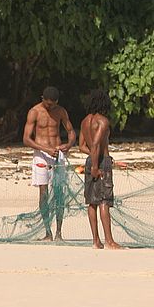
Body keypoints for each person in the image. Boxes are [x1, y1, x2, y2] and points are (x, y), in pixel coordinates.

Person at [23, 85, 76, 241]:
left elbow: (71, 131)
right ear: (42, 99)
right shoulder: (34, 112)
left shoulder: (61, 111)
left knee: (59, 193)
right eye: (47, 104)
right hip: (41, 155)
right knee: (43, 193)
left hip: (58, 153)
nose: (50, 107)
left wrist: (69, 144)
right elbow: (26, 139)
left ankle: (59, 232)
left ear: (57, 102)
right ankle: (48, 231)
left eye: (53, 104)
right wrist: (44, 148)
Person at [78, 89, 121, 249]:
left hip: (90, 160)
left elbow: (82, 146)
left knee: (91, 202)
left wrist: (92, 161)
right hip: (100, 163)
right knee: (104, 200)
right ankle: (109, 241)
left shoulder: (84, 121)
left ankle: (96, 241)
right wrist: (97, 165)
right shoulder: (102, 121)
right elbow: (96, 144)